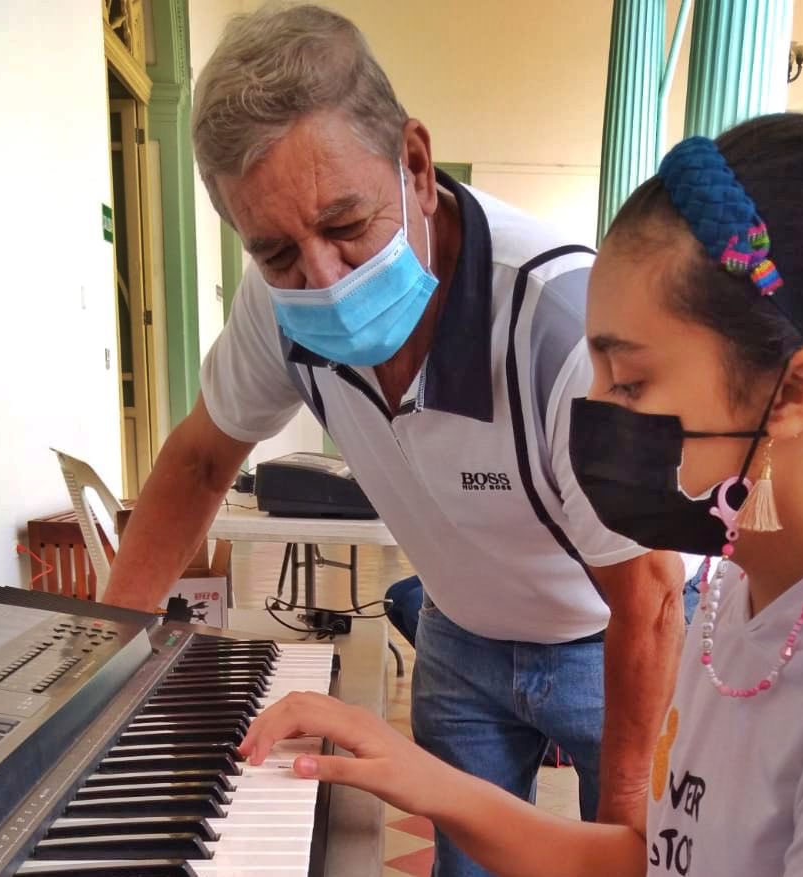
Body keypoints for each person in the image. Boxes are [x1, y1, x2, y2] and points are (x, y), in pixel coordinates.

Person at [240, 113, 803, 876]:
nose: (593, 409)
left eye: (631, 379)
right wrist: (413, 773)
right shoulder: (742, 581)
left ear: (796, 392)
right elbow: (652, 859)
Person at [101, 6, 684, 873]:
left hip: (608, 641)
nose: (323, 280)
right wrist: (109, 659)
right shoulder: (275, 309)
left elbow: (650, 593)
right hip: (458, 630)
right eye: (277, 252)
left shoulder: (562, 326)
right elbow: (197, 459)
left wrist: (628, 821)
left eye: (344, 225)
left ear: (414, 162)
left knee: (626, 852)